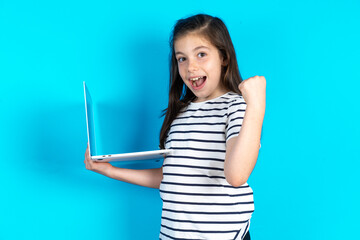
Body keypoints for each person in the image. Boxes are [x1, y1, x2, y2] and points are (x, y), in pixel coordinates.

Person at [84, 14, 266, 240]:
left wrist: (256, 105)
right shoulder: (180, 113)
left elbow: (237, 175)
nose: (191, 67)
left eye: (201, 54)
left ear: (224, 57)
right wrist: (110, 170)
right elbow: (172, 177)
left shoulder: (235, 107)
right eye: (182, 58)